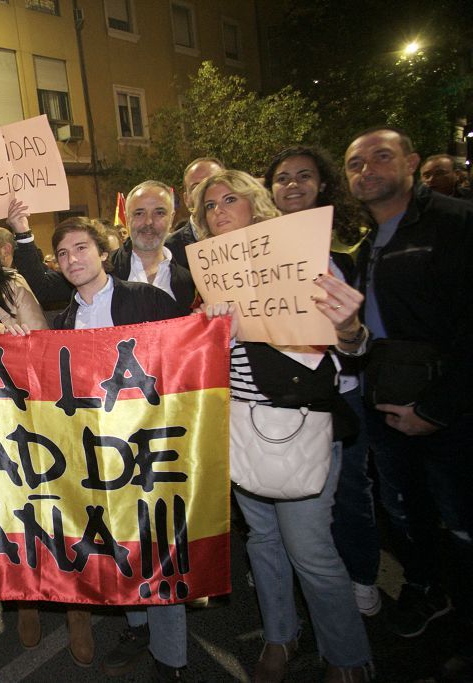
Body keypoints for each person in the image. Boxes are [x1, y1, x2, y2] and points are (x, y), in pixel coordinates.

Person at [195, 170, 373, 681]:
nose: (220, 210)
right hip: (240, 433)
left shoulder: (307, 265)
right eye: (210, 206)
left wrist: (350, 330)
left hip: (298, 429)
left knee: (311, 551)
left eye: (230, 199)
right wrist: (212, 333)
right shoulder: (207, 285)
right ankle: (280, 636)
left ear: (256, 205)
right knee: (262, 542)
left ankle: (348, 657)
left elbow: (350, 353)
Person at [345, 128, 473, 651]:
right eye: (356, 163)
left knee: (461, 522)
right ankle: (427, 591)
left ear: (412, 162)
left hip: (448, 409)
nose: (367, 169)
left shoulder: (454, 223)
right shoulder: (367, 244)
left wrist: (437, 409)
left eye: (381, 157)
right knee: (407, 513)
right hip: (387, 404)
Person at [47, 217, 187, 680]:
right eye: (63, 254)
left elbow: (187, 355)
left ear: (103, 251)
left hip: (150, 446)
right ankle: (137, 625)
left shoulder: (146, 299)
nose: (73, 260)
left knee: (158, 544)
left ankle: (170, 658)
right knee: (116, 545)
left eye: (81, 248)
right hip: (96, 455)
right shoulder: (62, 322)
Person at [264, 145, 381, 617]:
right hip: (279, 407)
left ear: (322, 185)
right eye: (283, 178)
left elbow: (358, 343)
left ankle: (361, 577)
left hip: (340, 402)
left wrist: (350, 333)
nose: (293, 185)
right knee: (287, 524)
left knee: (350, 496)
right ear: (270, 190)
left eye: (303, 176)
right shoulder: (257, 253)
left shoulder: (345, 257)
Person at [111, 181, 195, 311]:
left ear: (171, 218)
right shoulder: (104, 271)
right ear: (127, 219)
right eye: (139, 213)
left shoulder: (189, 281)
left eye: (159, 213)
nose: (149, 221)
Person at [165, 157, 225, 269]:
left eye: (213, 183)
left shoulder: (251, 239)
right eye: (196, 187)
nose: (204, 191)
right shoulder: (167, 252)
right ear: (186, 199)